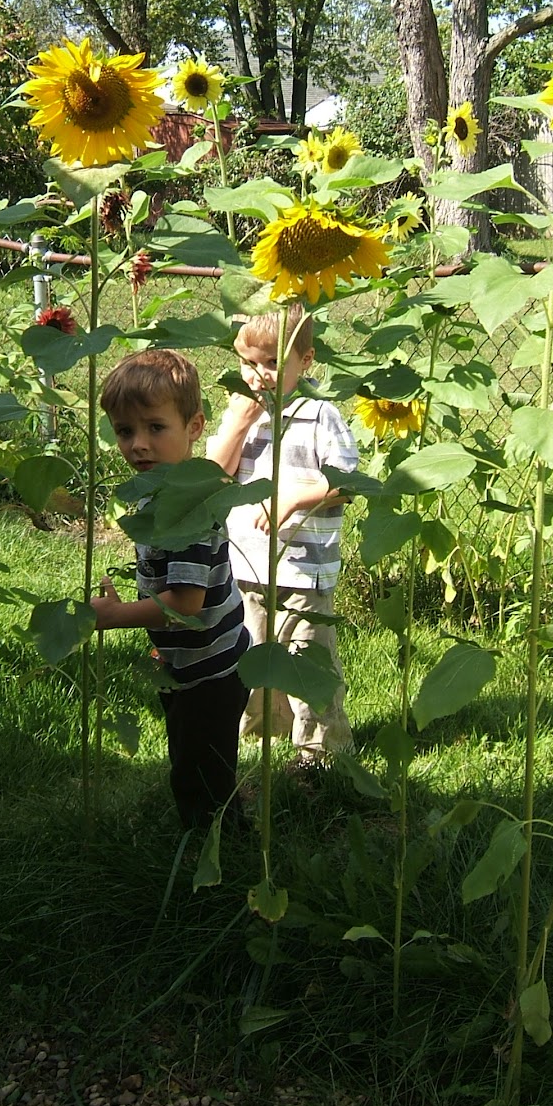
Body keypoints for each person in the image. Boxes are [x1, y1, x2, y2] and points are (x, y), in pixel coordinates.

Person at [91, 348, 250, 831]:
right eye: (125, 431)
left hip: (211, 671)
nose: (138, 444)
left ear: (195, 426)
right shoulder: (159, 494)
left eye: (155, 428)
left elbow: (187, 603)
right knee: (192, 756)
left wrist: (119, 615)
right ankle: (216, 833)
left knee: (200, 774)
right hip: (187, 662)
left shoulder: (187, 513)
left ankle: (217, 855)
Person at [206, 304, 356, 767]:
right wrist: (238, 422)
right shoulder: (241, 412)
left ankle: (320, 750)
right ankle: (261, 732)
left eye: (272, 363)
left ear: (304, 361)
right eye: (248, 362)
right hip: (246, 562)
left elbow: (345, 483)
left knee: (306, 659)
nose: (259, 374)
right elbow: (213, 473)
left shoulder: (319, 414)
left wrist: (293, 499)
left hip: (302, 567)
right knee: (252, 652)